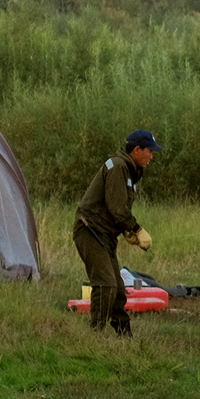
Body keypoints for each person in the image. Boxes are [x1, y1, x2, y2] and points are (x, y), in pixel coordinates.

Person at [74, 129, 159, 336]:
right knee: (106, 285)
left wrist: (125, 232)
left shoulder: (128, 169)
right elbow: (118, 208)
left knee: (118, 290)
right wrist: (137, 230)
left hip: (105, 235)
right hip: (90, 230)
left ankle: (124, 335)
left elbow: (116, 208)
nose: (152, 156)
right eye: (149, 151)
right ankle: (94, 335)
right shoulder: (118, 166)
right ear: (137, 150)